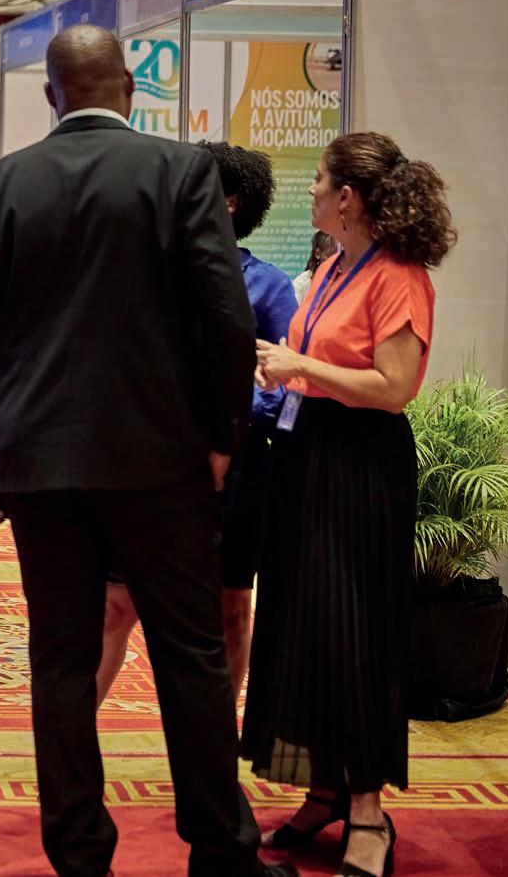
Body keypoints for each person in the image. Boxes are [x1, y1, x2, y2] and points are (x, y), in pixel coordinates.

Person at [0, 25, 294, 877]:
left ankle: (79, 854)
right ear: (130, 91)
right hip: (163, 464)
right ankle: (222, 850)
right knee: (192, 658)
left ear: (50, 95)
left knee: (62, 662)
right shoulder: (180, 173)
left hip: (42, 465)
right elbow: (227, 321)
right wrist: (222, 440)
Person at [245, 132, 455, 877]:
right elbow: (321, 365)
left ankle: (367, 811)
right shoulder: (336, 265)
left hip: (361, 467)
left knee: (354, 632)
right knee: (305, 627)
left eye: (319, 180)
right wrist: (287, 373)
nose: (308, 191)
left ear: (348, 198)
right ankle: (325, 789)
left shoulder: (399, 275)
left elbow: (393, 388)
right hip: (308, 456)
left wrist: (299, 364)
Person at [96, 142, 297, 707]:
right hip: (147, 459)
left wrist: (230, 418)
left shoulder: (268, 286)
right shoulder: (147, 270)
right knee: (117, 602)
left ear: (230, 202)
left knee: (230, 607)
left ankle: (218, 738)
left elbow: (287, 382)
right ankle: (70, 738)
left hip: (238, 465)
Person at [292, 229, 338, 302]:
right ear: (317, 254)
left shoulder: (343, 280)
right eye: (330, 256)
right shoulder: (302, 284)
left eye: (338, 257)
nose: (335, 261)